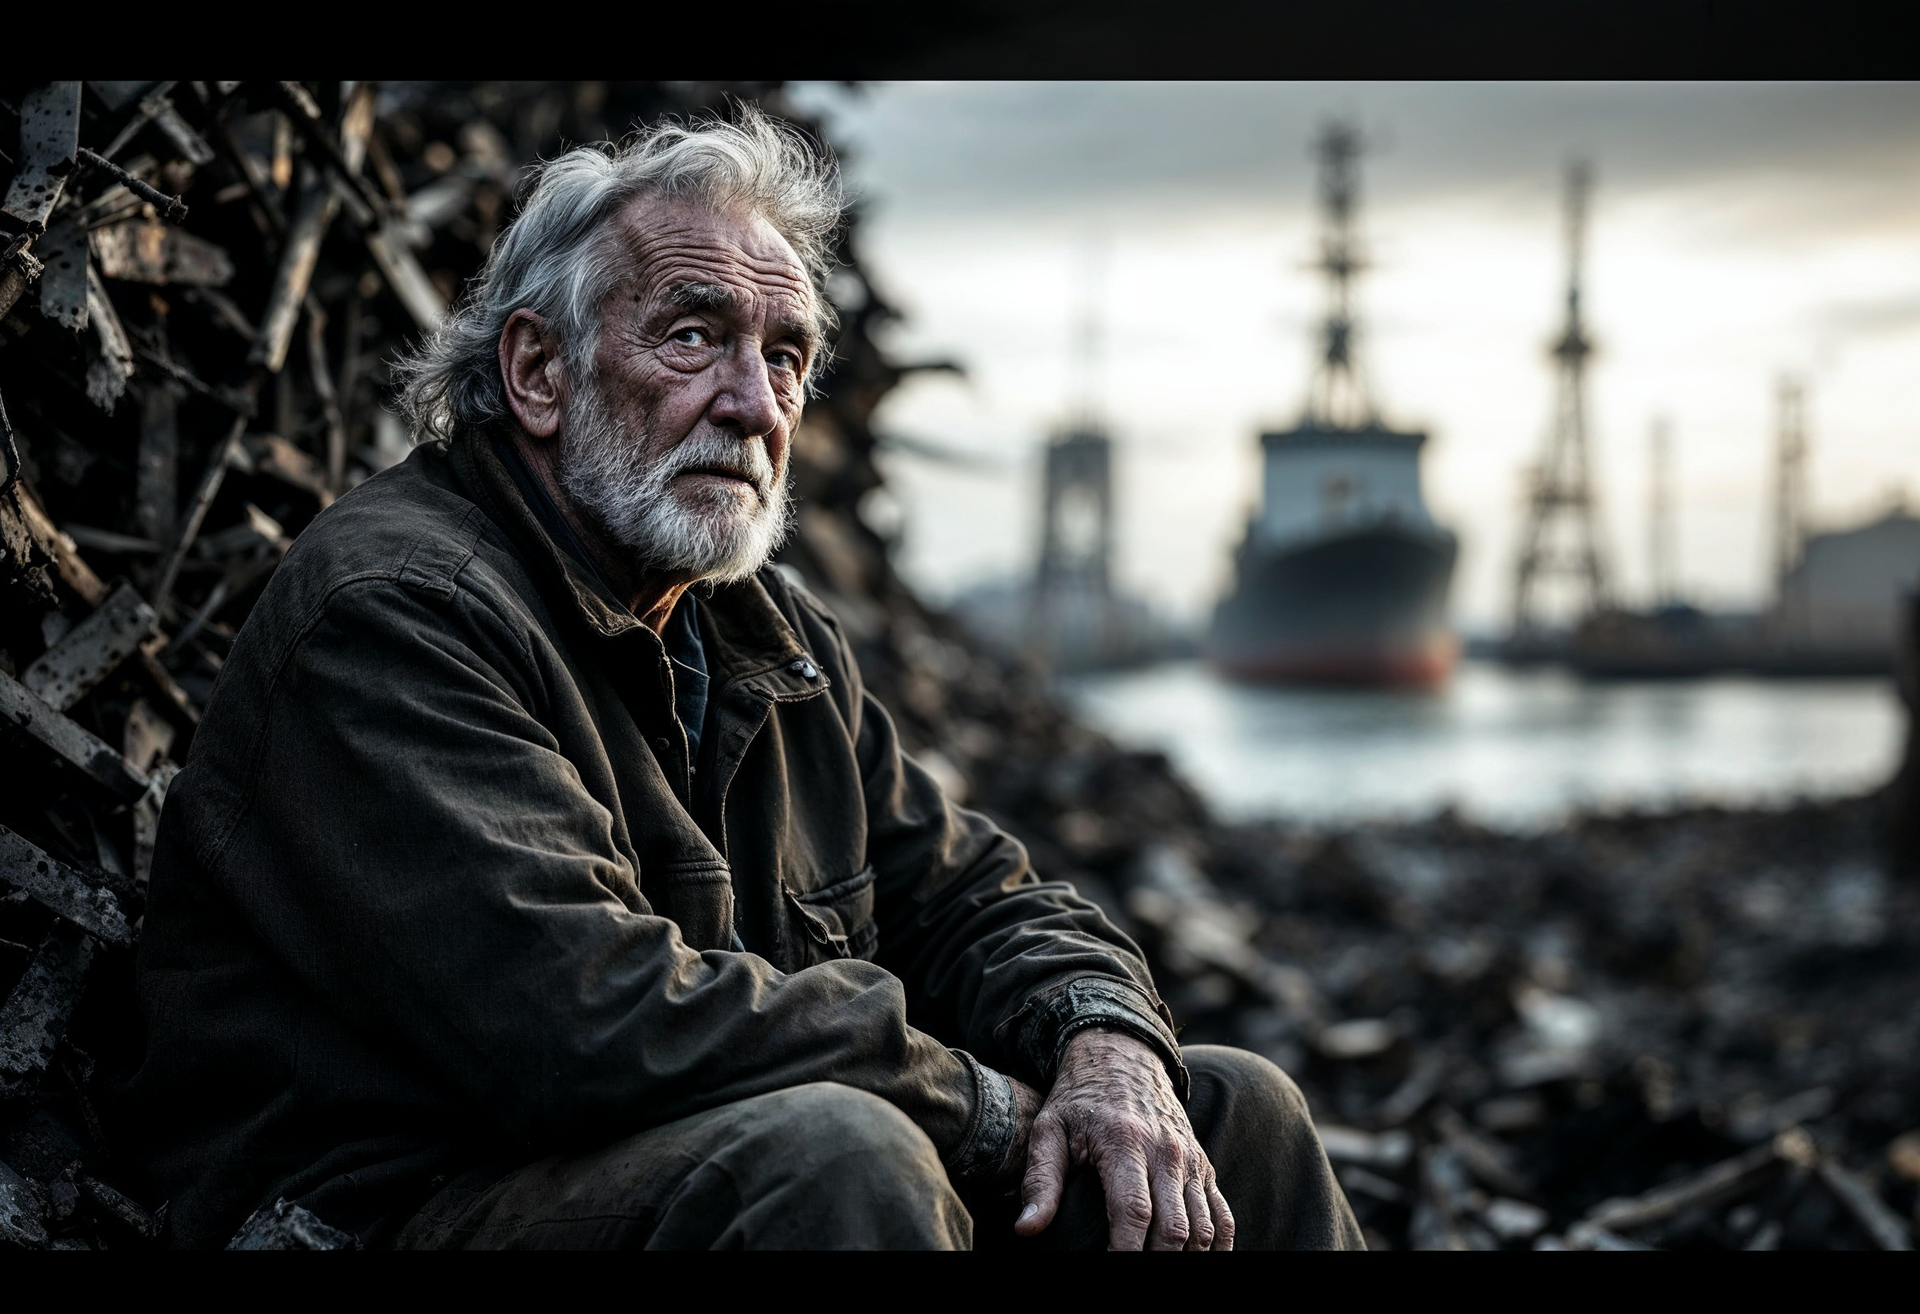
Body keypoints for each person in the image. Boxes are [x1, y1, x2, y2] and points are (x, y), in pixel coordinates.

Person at [127, 108, 1361, 1251]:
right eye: (693, 336)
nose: (753, 403)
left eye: (786, 357)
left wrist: (1103, 1043)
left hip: (670, 1161)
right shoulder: (397, 614)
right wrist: (983, 1106)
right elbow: (582, 1019)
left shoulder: (764, 636)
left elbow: (972, 894)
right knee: (840, 1154)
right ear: (539, 374)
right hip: (404, 1208)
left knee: (1231, 1114)